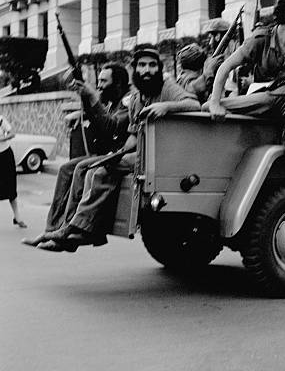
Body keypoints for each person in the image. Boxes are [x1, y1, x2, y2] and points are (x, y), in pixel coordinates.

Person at [36, 45, 200, 252]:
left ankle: (76, 228)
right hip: (141, 154)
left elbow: (194, 105)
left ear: (159, 68)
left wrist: (166, 106)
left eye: (151, 65)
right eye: (142, 65)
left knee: (100, 172)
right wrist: (118, 154)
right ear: (135, 69)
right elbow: (132, 137)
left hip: (162, 155)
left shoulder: (166, 87)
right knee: (98, 168)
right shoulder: (137, 98)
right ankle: (71, 229)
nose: (147, 70)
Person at [22, 62, 130, 247]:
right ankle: (51, 230)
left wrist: (92, 97)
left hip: (117, 154)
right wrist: (86, 102)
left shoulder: (128, 102)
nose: (100, 85)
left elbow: (112, 128)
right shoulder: (112, 100)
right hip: (105, 153)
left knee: (81, 168)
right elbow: (99, 120)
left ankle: (68, 229)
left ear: (118, 83)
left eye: (104, 81)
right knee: (65, 169)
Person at [205, 0, 285, 155]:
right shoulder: (262, 38)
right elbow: (225, 66)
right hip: (267, 97)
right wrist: (215, 102)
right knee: (210, 107)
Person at [0, 114, 27, 228]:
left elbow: (12, 133)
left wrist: (1, 138)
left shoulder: (0, 119)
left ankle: (17, 217)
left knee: (11, 187)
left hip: (5, 155)